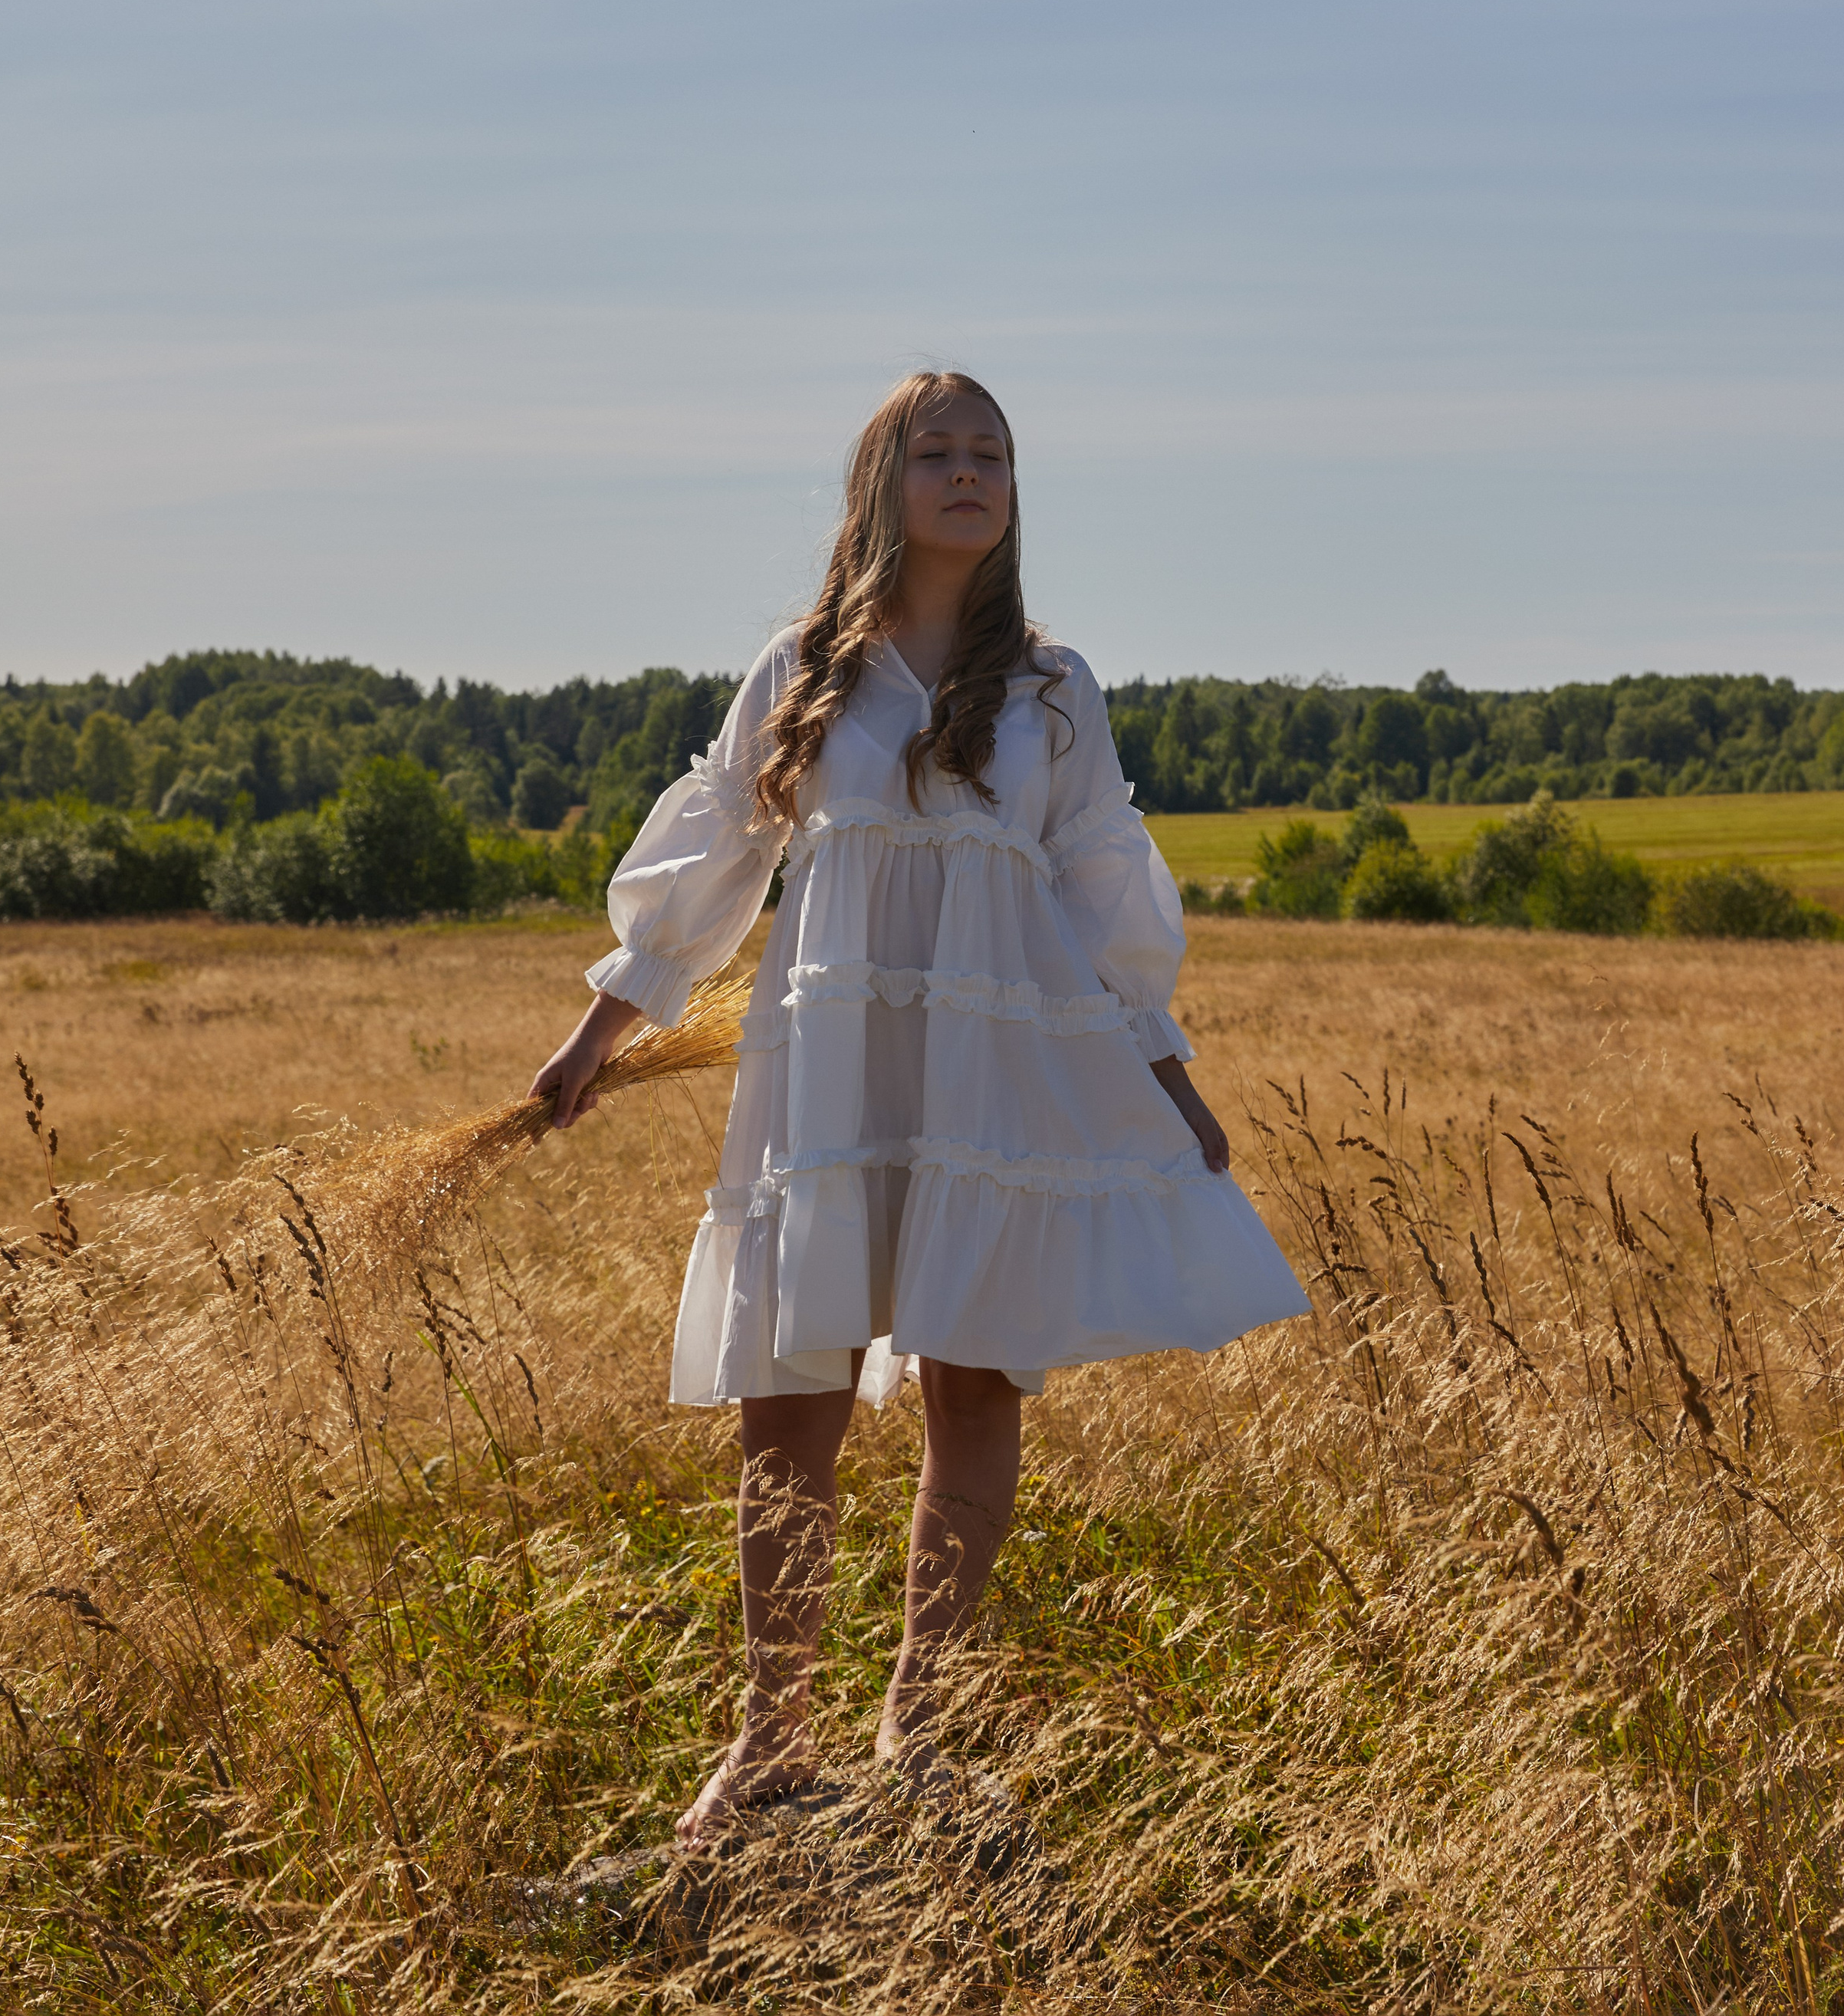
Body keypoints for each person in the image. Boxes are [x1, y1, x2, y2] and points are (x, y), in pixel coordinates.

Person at [528, 369, 1307, 1847]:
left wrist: (1168, 1076)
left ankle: (921, 1730)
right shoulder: (806, 665)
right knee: (791, 1398)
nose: (968, 473)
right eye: (936, 452)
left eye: (992, 454)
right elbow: (710, 852)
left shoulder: (1054, 687)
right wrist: (597, 1032)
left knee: (973, 1379)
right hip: (829, 1069)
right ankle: (766, 1744)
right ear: (881, 485)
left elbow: (1100, 888)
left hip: (993, 1075)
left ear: (1016, 490)